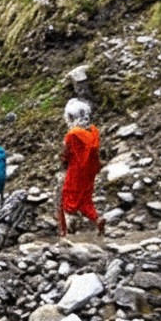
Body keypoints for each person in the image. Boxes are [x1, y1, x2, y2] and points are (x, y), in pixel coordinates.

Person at [59, 99, 105, 237]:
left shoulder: (72, 134)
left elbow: (66, 153)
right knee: (86, 198)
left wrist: (62, 161)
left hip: (76, 170)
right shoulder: (94, 131)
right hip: (91, 170)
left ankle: (65, 230)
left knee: (67, 197)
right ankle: (97, 220)